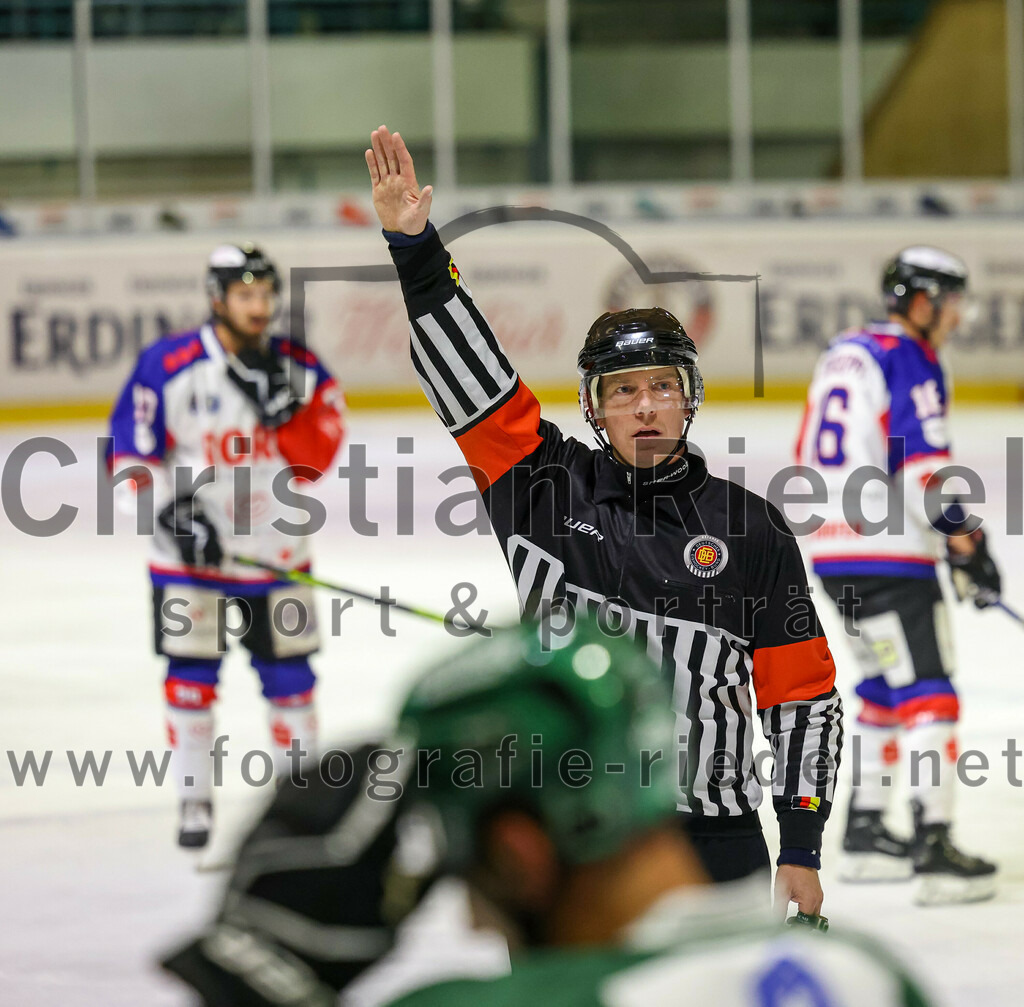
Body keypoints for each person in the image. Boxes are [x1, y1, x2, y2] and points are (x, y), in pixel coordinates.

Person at [363, 126, 843, 914]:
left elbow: (802, 697)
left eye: (662, 385)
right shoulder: (543, 488)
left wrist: (800, 844)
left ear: (689, 395)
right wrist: (415, 249)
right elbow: (472, 381)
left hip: (712, 839)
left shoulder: (753, 528)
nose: (646, 404)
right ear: (594, 407)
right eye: (623, 390)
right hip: (568, 837)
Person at [160, 619, 931, 1007]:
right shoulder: (872, 973)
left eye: (469, 874)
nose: (473, 923)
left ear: (518, 855)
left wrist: (257, 974)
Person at [107, 243, 345, 848]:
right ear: (218, 299)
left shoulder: (300, 366)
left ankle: (300, 808)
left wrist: (285, 414)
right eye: (246, 295)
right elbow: (130, 454)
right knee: (189, 677)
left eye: (266, 295)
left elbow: (317, 462)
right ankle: (193, 800)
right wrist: (172, 514)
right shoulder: (170, 363)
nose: (259, 307)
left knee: (292, 678)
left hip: (276, 554)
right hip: (188, 565)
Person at [796, 245, 1000, 904]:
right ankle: (933, 845)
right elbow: (919, 468)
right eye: (951, 302)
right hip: (890, 553)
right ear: (922, 301)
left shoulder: (844, 351)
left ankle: (863, 834)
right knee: (931, 690)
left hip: (831, 553)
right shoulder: (909, 354)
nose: (956, 318)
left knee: (884, 686)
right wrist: (967, 542)